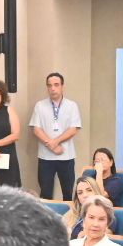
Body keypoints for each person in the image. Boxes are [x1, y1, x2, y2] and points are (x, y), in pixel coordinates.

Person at [31, 72, 81, 200]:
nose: (53, 88)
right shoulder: (40, 105)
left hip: (66, 156)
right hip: (45, 157)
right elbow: (36, 129)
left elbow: (73, 130)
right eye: (50, 85)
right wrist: (51, 145)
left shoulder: (72, 106)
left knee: (68, 193)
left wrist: (55, 142)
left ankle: (68, 213)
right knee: (45, 193)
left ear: (62, 86)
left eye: (56, 85)